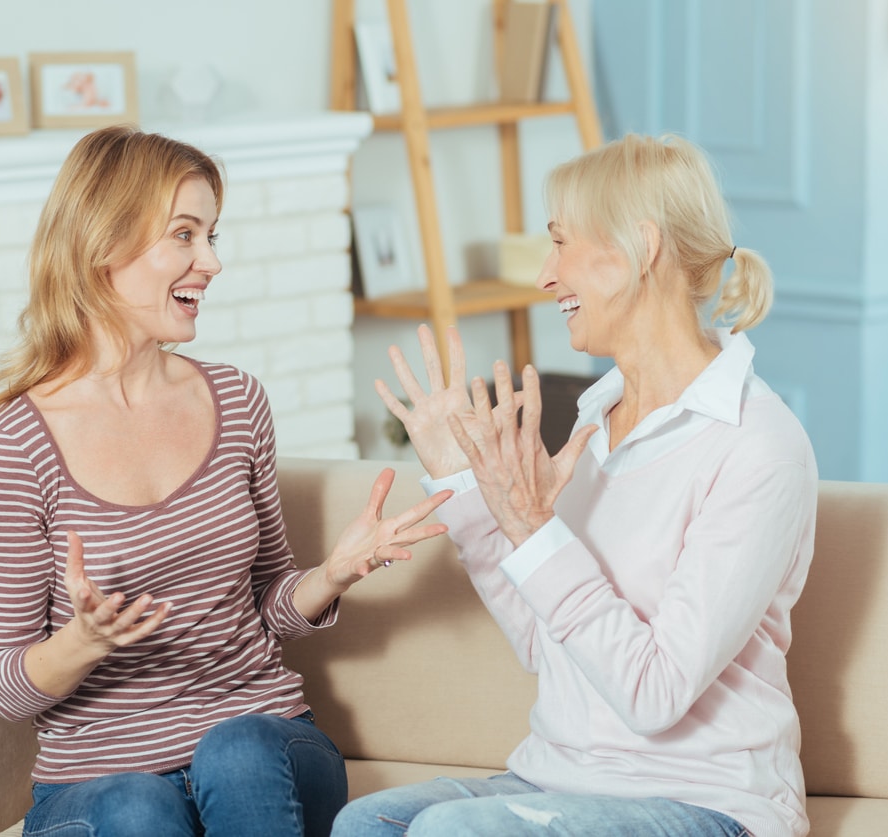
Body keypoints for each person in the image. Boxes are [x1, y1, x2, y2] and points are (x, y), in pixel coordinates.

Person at [0, 125, 453, 837]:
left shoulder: (237, 400)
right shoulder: (12, 446)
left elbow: (267, 607)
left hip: (268, 746)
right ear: (102, 246)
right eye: (185, 235)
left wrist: (334, 573)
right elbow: (2, 686)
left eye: (213, 235)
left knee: (238, 749)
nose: (212, 262)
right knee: (139, 806)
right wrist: (85, 641)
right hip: (97, 780)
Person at [333, 133, 818, 837]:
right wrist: (466, 484)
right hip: (561, 775)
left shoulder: (755, 445)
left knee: (451, 832)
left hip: (706, 800)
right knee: (366, 822)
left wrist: (534, 527)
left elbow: (654, 694)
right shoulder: (597, 417)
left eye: (560, 243)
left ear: (641, 247)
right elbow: (544, 640)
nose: (545, 276)